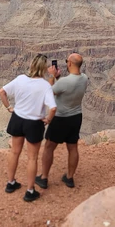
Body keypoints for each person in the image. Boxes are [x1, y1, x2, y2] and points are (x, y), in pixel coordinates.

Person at [0, 54, 57, 202]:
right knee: (32, 158)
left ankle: (10, 183)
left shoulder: (20, 79)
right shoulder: (45, 86)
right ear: (44, 69)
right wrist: (48, 119)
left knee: (14, 152)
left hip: (17, 119)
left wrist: (9, 107)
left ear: (31, 66)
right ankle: (30, 191)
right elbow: (53, 107)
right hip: (34, 123)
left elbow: (2, 92)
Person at [36, 52, 89, 189]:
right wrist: (59, 77)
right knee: (72, 147)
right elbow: (67, 89)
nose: (66, 63)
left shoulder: (65, 82)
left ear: (70, 63)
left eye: (67, 61)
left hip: (60, 119)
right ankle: (70, 178)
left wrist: (52, 76)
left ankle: (44, 178)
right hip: (76, 117)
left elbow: (48, 93)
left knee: (49, 147)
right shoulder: (84, 78)